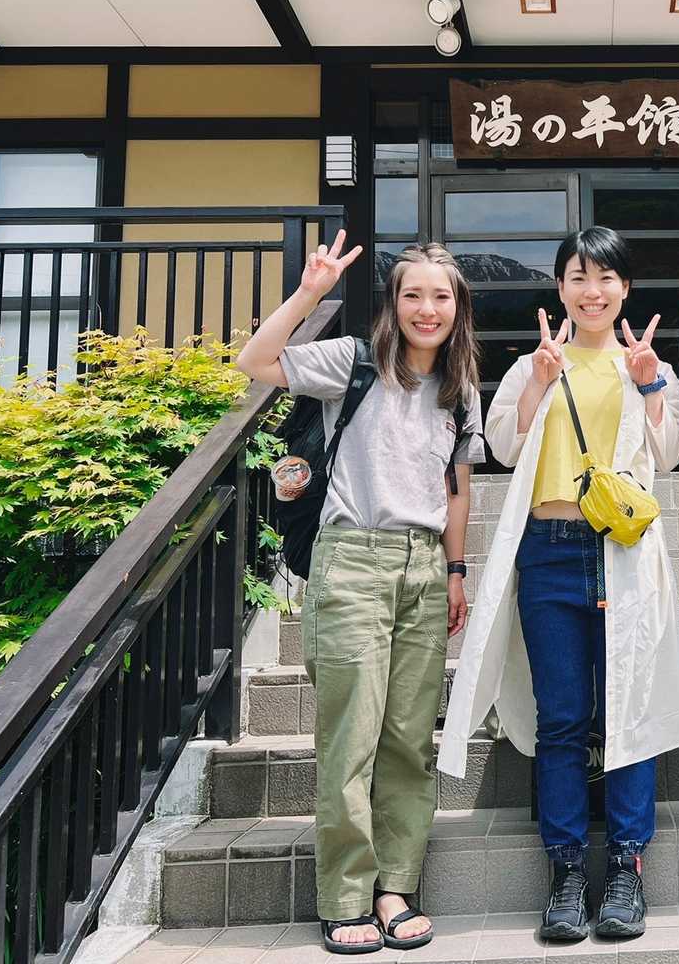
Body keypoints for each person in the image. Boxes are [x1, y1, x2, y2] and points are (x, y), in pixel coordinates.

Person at [440, 227, 679, 942]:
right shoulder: (533, 364)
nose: (592, 291)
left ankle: (626, 868)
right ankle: (567, 871)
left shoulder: (649, 364)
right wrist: (539, 383)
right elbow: (502, 447)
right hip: (548, 553)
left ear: (625, 288)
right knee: (561, 718)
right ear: (560, 288)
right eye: (578, 277)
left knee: (628, 710)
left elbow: (671, 452)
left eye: (606, 277)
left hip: (622, 552)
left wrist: (650, 385)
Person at [237, 236, 484, 955]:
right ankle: (345, 896)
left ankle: (394, 887)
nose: (427, 309)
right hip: (352, 562)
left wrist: (456, 570)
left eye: (441, 296)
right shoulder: (351, 362)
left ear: (458, 307)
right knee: (352, 738)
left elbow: (457, 491)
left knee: (408, 739)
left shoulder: (460, 389)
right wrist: (309, 292)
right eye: (413, 295)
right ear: (393, 303)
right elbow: (255, 361)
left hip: (424, 568)